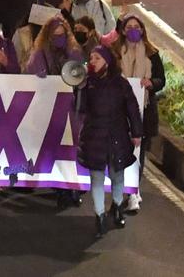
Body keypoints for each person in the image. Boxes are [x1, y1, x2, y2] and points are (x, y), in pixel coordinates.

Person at [72, 43, 144, 236]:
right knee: (96, 178)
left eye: (97, 58)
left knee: (116, 176)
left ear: (108, 61)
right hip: (94, 137)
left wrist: (137, 133)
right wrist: (79, 88)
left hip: (116, 137)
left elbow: (132, 110)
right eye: (91, 58)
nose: (93, 62)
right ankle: (100, 217)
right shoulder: (88, 84)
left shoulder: (121, 83)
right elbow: (80, 109)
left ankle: (118, 207)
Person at [115, 14, 166, 213]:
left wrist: (151, 83)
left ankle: (133, 191)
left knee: (138, 153)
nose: (133, 30)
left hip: (144, 111)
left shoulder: (152, 54)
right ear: (123, 31)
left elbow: (161, 79)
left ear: (143, 30)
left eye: (137, 26)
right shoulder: (116, 53)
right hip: (119, 113)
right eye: (129, 27)